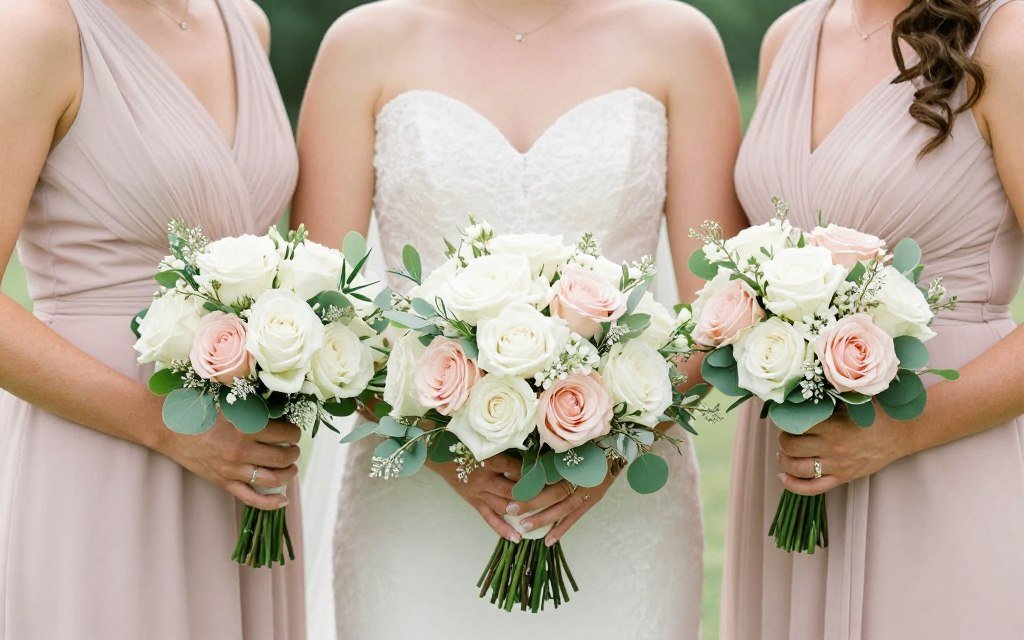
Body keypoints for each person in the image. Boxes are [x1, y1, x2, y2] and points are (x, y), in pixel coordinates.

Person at [293, 0, 746, 637]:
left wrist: (609, 452)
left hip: (625, 506)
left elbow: (721, 304)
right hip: (414, 499)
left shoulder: (677, 40)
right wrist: (445, 451)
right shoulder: (366, 43)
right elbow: (322, 301)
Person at [0, 0, 304, 636]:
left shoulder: (246, 22)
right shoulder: (37, 29)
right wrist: (167, 430)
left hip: (242, 453)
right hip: (100, 447)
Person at [723, 0, 1024, 637]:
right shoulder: (789, 37)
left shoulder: (1009, 38)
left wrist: (902, 432)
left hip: (942, 450)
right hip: (794, 453)